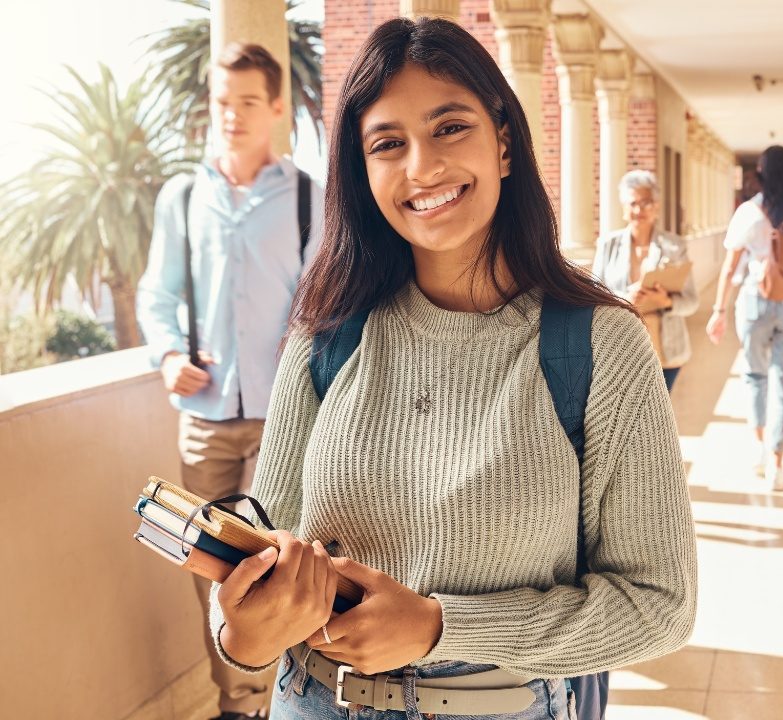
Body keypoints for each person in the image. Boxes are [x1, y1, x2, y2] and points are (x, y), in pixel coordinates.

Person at [207, 17, 697, 720]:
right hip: (311, 700)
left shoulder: (598, 345)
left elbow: (660, 607)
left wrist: (441, 626)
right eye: (387, 144)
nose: (421, 168)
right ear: (363, 171)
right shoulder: (324, 338)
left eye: (449, 128)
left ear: (502, 143)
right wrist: (245, 636)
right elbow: (267, 555)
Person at [137, 42, 323, 720]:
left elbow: (323, 296)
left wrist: (298, 337)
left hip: (285, 418)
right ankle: (239, 704)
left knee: (277, 564)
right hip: (205, 418)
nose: (233, 116)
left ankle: (288, 697)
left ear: (275, 108)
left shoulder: (308, 196)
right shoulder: (182, 197)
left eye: (248, 102)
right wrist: (165, 357)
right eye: (222, 103)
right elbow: (157, 295)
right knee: (207, 567)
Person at [705, 146, 783, 491]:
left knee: (754, 376)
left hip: (754, 302)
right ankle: (777, 464)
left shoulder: (749, 212)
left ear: (761, 175)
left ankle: (761, 449)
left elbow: (729, 267)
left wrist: (719, 310)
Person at [592, 170, 699, 393]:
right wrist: (624, 299)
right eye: (633, 203)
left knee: (660, 419)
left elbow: (692, 302)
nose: (639, 210)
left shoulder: (675, 246)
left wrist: (666, 301)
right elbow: (593, 297)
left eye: (646, 203)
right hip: (620, 348)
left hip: (665, 348)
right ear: (624, 208)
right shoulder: (607, 245)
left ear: (657, 206)